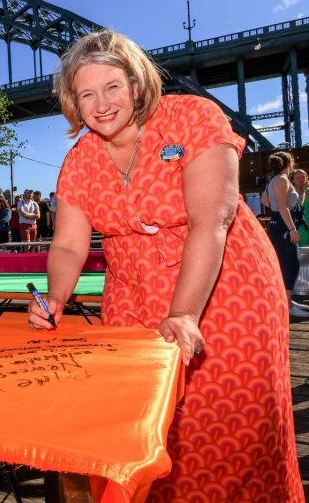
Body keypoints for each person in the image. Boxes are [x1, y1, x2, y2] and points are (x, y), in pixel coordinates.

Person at [28, 29, 301, 501]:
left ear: (136, 83)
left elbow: (211, 220)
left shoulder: (193, 117)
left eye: (112, 87)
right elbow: (70, 247)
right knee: (146, 431)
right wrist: (54, 297)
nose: (102, 104)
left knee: (226, 428)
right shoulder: (79, 160)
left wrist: (184, 312)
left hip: (223, 290)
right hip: (132, 299)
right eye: (86, 94)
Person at [262, 153, 309, 317]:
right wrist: (292, 229)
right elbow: (282, 207)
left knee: (286, 263)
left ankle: (286, 299)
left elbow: (265, 201)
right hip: (283, 227)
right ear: (289, 162)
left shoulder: (274, 180)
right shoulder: (282, 179)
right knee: (291, 264)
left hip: (277, 226)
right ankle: (288, 305)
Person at [290, 168, 309, 245]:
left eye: (303, 177)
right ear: (293, 180)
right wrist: (303, 191)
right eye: (298, 177)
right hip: (297, 223)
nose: (301, 179)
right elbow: (299, 204)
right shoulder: (290, 192)